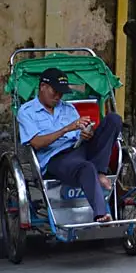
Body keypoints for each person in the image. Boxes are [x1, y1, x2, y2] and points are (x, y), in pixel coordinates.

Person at [18, 68, 122, 223]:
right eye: (55, 91)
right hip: (56, 158)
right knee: (86, 167)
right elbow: (37, 143)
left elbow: (79, 133)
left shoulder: (68, 108)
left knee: (113, 120)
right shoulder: (26, 112)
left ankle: (100, 171)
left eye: (61, 92)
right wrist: (67, 128)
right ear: (42, 87)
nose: (58, 96)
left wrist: (87, 133)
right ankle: (101, 214)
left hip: (80, 148)